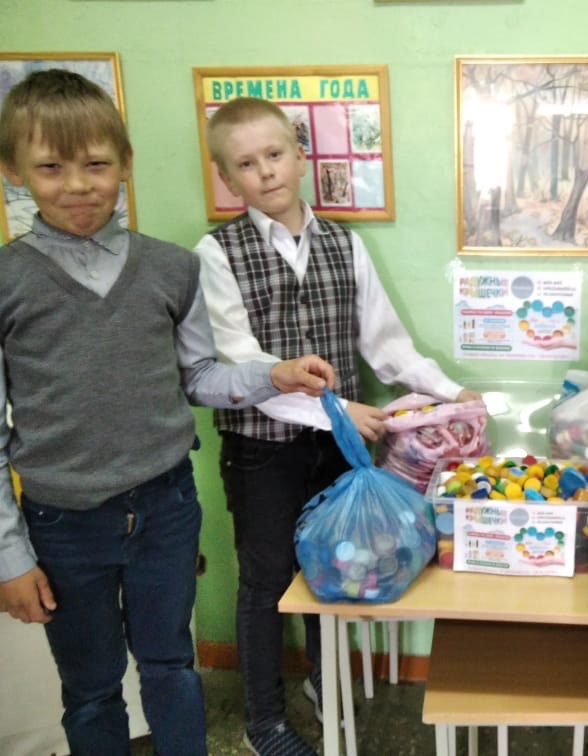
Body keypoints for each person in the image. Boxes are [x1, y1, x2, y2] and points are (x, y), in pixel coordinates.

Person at [0, 70, 337, 756]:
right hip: (64, 522)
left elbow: (200, 376)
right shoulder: (9, 279)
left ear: (125, 163)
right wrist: (9, 556)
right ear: (14, 171)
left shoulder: (170, 268)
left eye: (97, 164)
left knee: (172, 666)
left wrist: (271, 374)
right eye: (52, 167)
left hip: (166, 507)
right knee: (91, 688)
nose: (78, 185)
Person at [194, 96, 480, 756]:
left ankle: (327, 684)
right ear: (226, 177)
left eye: (274, 154)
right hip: (260, 450)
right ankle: (264, 720)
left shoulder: (344, 244)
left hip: (338, 450)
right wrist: (337, 408)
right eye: (246, 164)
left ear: (300, 156)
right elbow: (241, 364)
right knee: (266, 582)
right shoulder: (216, 252)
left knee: (339, 568)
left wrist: (451, 391)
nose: (265, 172)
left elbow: (386, 345)